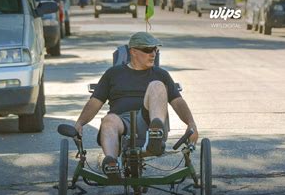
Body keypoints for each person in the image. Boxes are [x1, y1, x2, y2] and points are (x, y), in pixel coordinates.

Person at [74, 32, 198, 179]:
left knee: (157, 85)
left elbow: (178, 102)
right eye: (147, 50)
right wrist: (80, 122)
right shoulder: (113, 74)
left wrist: (191, 124)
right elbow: (95, 102)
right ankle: (112, 164)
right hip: (122, 122)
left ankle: (155, 135)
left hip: (149, 121)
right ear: (133, 51)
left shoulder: (161, 74)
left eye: (155, 50)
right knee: (108, 120)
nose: (152, 54)